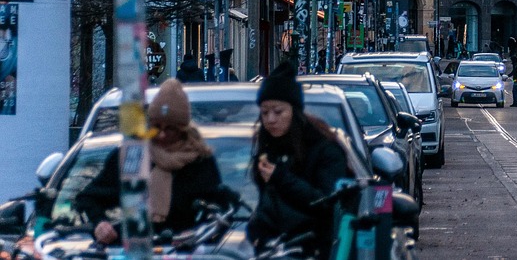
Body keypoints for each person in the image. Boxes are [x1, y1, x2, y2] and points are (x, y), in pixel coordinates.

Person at [77, 79, 225, 243]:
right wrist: (100, 224)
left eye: (170, 128)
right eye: (157, 126)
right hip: (132, 250)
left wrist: (195, 233)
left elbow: (219, 211)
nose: (161, 135)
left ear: (182, 129)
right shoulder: (131, 157)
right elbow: (88, 198)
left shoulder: (200, 162)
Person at [247, 61, 352, 257]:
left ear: (294, 111)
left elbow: (325, 202)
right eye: (264, 112)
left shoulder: (325, 149)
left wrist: (281, 177)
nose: (270, 119)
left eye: (278, 112)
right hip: (271, 249)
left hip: (315, 250)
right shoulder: (267, 148)